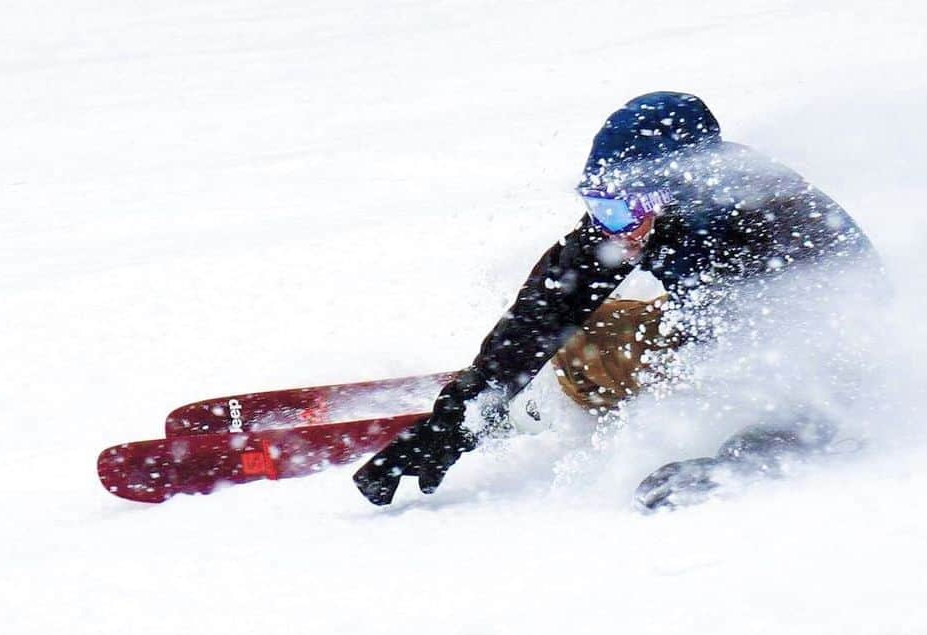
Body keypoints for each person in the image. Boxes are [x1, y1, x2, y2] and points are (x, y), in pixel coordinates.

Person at [353, 91, 881, 509]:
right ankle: (549, 401)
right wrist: (455, 420)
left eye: (626, 210)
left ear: (679, 191)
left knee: (705, 360)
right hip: (709, 327)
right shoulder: (642, 217)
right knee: (584, 338)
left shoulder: (765, 224)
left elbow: (833, 372)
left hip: (823, 347)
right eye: (602, 207)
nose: (616, 230)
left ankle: (612, 401)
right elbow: (545, 312)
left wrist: (746, 459)